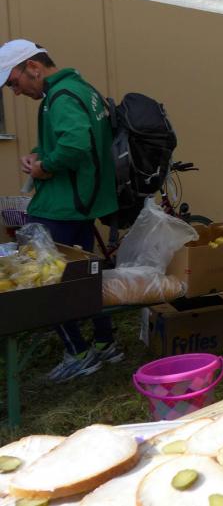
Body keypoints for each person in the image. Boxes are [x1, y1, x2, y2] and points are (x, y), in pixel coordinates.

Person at [0, 39, 123, 382]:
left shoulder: (61, 96)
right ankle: (105, 342)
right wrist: (39, 153)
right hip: (81, 202)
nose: (16, 92)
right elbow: (76, 137)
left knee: (44, 280)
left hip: (61, 206)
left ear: (33, 67)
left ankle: (78, 353)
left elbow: (75, 144)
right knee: (84, 277)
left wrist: (45, 167)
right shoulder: (80, 88)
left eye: (14, 83)